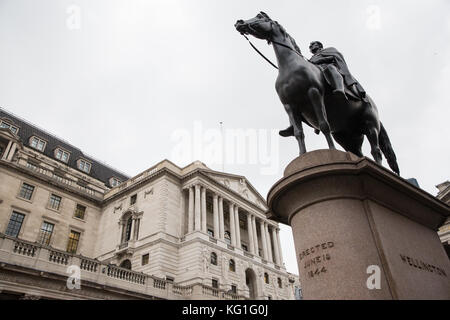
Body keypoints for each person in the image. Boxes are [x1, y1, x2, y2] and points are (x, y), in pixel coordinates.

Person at [279, 41, 367, 137]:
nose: (311, 46)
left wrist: (318, 61)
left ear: (319, 45)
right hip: (318, 75)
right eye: (310, 46)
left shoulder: (329, 50)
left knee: (330, 69)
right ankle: (294, 125)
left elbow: (335, 58)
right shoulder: (310, 59)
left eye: (313, 44)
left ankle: (339, 89)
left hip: (329, 69)